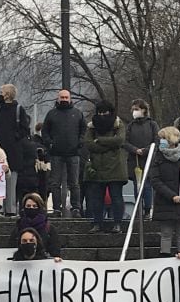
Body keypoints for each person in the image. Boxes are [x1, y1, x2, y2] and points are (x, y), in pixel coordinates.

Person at [84, 101, 128, 234]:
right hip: (97, 167)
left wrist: (100, 141)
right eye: (100, 112)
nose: (102, 115)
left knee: (116, 197)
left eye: (105, 112)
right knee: (96, 198)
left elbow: (120, 140)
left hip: (116, 168)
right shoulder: (91, 127)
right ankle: (97, 223)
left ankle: (117, 223)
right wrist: (109, 145)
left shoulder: (118, 124)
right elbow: (88, 143)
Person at [42, 89, 86, 217]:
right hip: (56, 153)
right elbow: (45, 131)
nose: (64, 99)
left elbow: (84, 129)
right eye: (62, 97)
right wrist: (50, 143)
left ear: (70, 98)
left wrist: (80, 142)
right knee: (55, 183)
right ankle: (56, 209)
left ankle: (76, 208)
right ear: (58, 98)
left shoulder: (77, 114)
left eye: (66, 97)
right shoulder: (51, 114)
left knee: (75, 183)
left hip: (73, 153)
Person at [0, 83, 31, 217]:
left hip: (13, 151)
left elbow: (25, 129)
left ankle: (11, 209)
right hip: (0, 150)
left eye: (2, 91)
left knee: (11, 182)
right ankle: (0, 207)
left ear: (7, 94)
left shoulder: (18, 109)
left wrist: (14, 137)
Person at [149, 127, 180, 256]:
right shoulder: (158, 157)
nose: (160, 141)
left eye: (163, 138)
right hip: (165, 201)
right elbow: (155, 180)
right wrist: (171, 195)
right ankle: (165, 256)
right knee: (166, 233)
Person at [124, 99, 159, 218]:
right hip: (135, 160)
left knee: (147, 185)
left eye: (137, 109)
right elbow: (125, 142)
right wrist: (135, 150)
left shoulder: (152, 124)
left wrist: (145, 150)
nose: (134, 111)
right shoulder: (130, 126)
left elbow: (156, 141)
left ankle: (148, 209)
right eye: (133, 109)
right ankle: (138, 208)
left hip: (149, 160)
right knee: (136, 186)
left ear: (144, 110)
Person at [10, 192, 63, 258]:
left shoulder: (49, 228)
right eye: (28, 206)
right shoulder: (18, 227)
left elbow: (55, 251)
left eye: (34, 206)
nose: (31, 208)